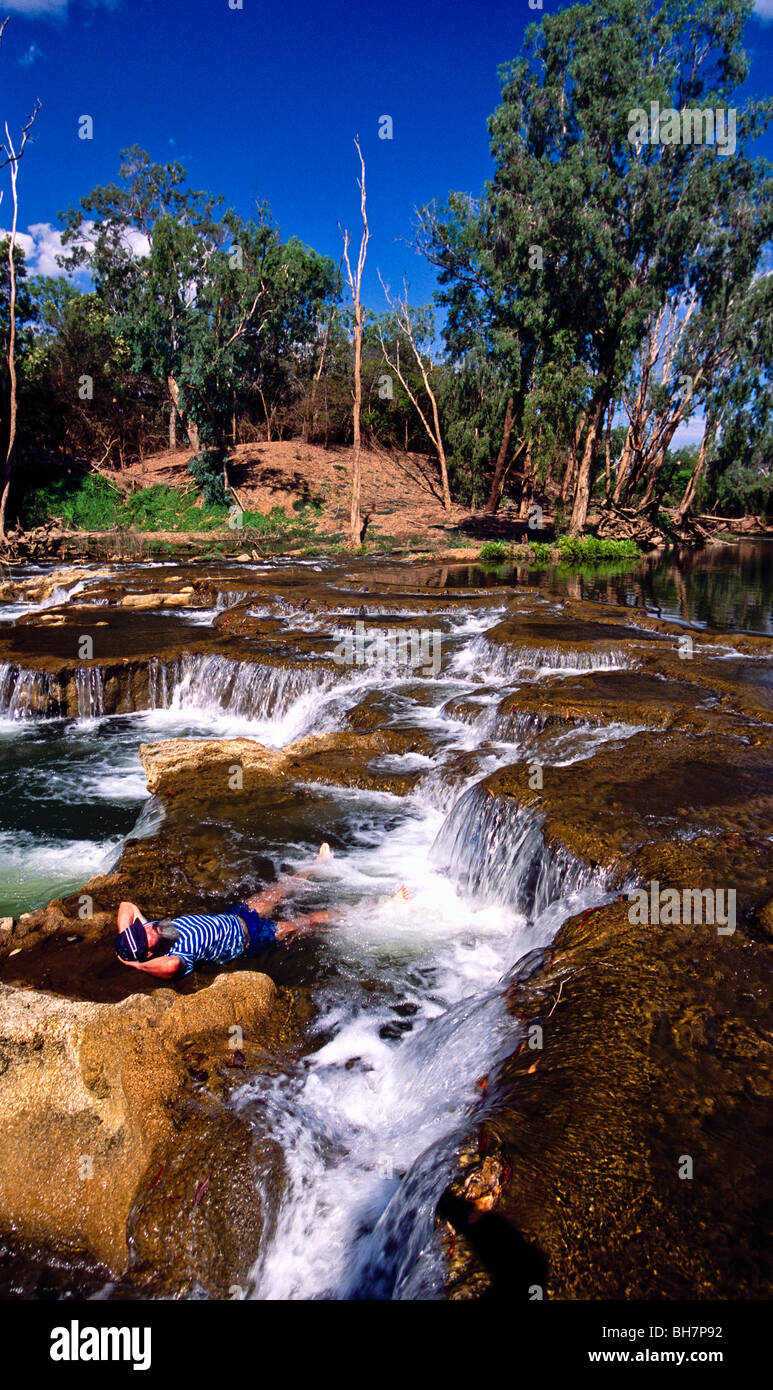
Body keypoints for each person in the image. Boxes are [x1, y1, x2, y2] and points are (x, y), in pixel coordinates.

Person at [114, 842, 337, 980]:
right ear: (151, 954)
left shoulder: (153, 930)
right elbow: (171, 967)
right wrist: (138, 965)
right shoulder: (177, 955)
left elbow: (128, 906)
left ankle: (318, 866)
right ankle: (360, 914)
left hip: (236, 915)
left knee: (278, 891)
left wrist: (128, 937)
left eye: (143, 930)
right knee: (305, 922)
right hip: (253, 938)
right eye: (147, 938)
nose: (151, 929)